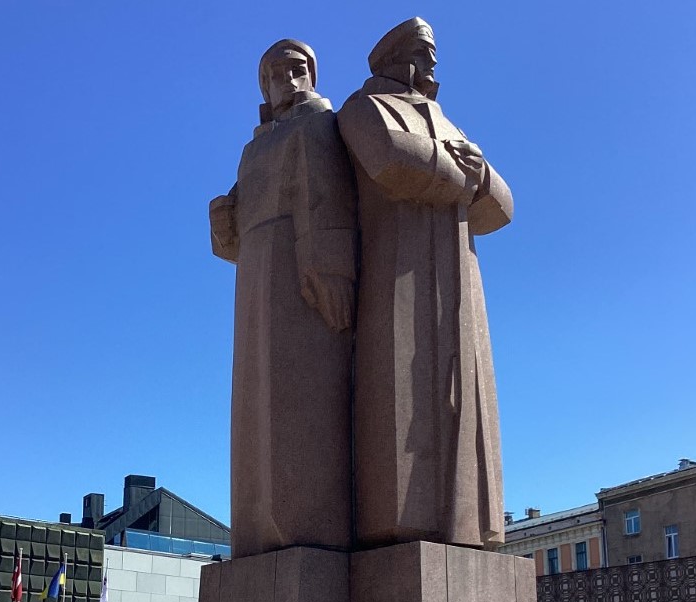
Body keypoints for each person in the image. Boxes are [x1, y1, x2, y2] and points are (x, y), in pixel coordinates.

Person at [337, 18, 513, 549]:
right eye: (425, 51)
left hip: (460, 273)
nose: (434, 63)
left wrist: (479, 174)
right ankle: (405, 519)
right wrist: (461, 176)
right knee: (403, 392)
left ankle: (468, 523)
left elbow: (501, 210)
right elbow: (391, 160)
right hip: (400, 268)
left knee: (467, 397)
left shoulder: (448, 121)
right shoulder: (364, 107)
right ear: (398, 57)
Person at [209, 40, 357, 557]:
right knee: (253, 399)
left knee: (297, 394)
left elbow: (325, 194)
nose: (288, 80)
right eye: (276, 74)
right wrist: (224, 224)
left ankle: (301, 525)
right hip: (255, 273)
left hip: (300, 272)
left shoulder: (318, 124)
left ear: (312, 75)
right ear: (264, 86)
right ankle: (256, 530)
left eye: (298, 70)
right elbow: (235, 231)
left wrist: (330, 265)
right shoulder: (254, 147)